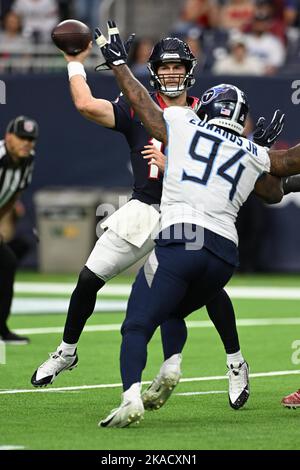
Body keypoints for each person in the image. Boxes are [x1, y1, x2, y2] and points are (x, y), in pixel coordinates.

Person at [31, 31, 286, 411]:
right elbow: (86, 105)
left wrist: (258, 151)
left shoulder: (209, 109)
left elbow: (242, 163)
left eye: (177, 66)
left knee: (209, 288)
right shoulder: (138, 104)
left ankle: (234, 363)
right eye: (164, 66)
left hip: (190, 209)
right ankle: (67, 351)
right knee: (89, 277)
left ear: (189, 70)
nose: (170, 73)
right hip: (147, 207)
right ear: (152, 71)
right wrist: (74, 61)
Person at [94, 21, 300, 427]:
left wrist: (120, 65)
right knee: (178, 307)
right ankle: (191, 366)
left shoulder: (184, 122)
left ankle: (131, 395)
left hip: (181, 239)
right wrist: (257, 146)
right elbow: (281, 180)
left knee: (137, 322)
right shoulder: (252, 150)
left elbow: (145, 110)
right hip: (224, 256)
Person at [0, 115, 38, 344]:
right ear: (8, 137)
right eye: (22, 137)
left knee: (7, 262)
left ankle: (1, 328)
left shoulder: (27, 160)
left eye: (31, 139)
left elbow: (14, 193)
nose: (27, 143)